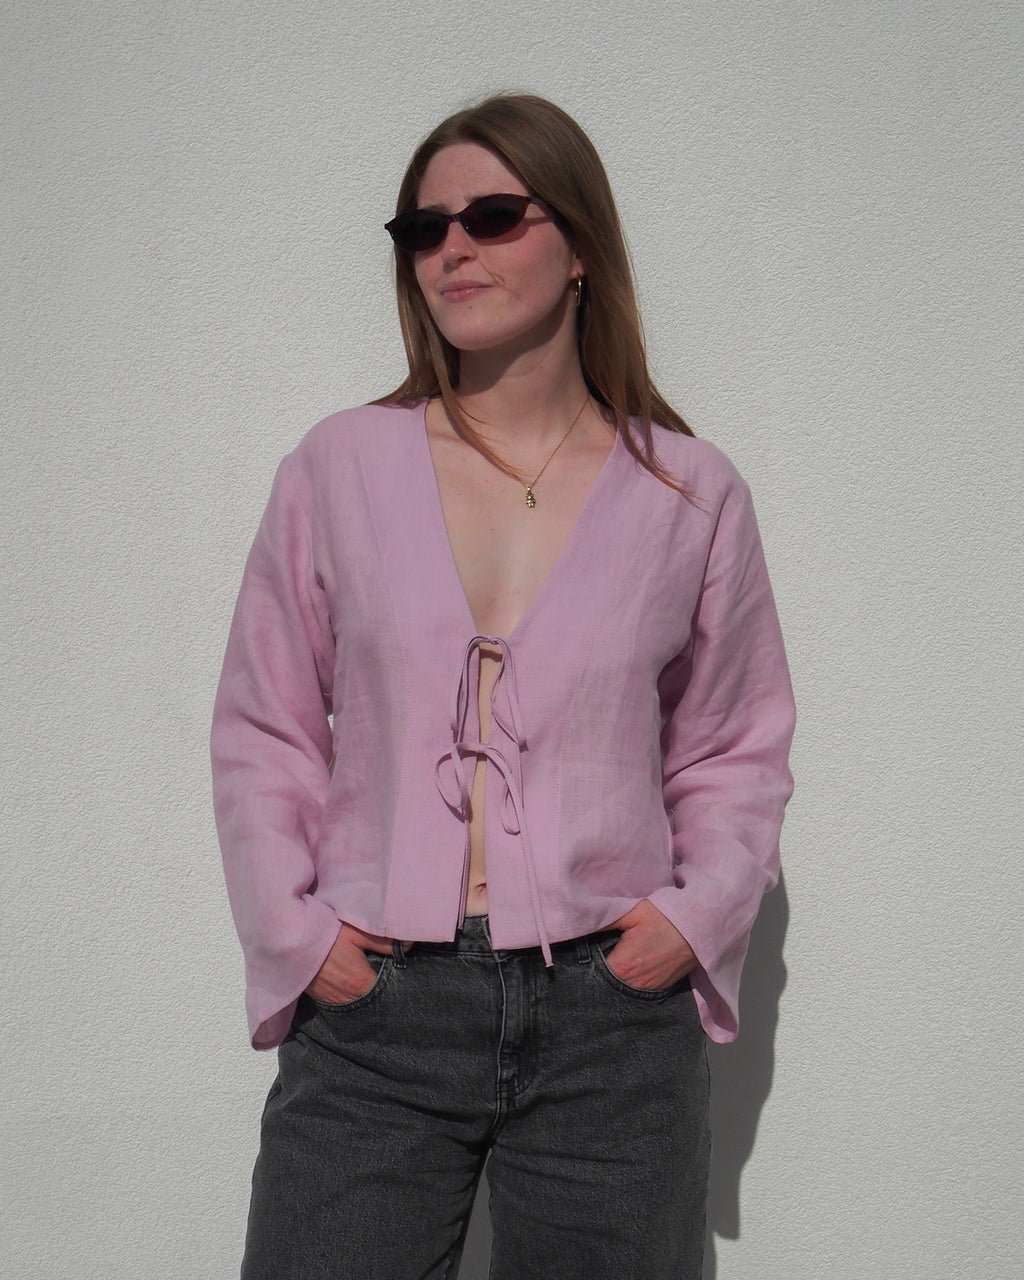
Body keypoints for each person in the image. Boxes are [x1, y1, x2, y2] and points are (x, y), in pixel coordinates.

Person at [211, 93, 795, 1280]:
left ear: (579, 244)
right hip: (375, 1014)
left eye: (490, 214)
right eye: (422, 230)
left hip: (609, 1021)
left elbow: (735, 743)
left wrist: (689, 917)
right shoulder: (340, 464)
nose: (452, 251)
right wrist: (297, 929)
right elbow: (264, 724)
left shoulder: (688, 490)